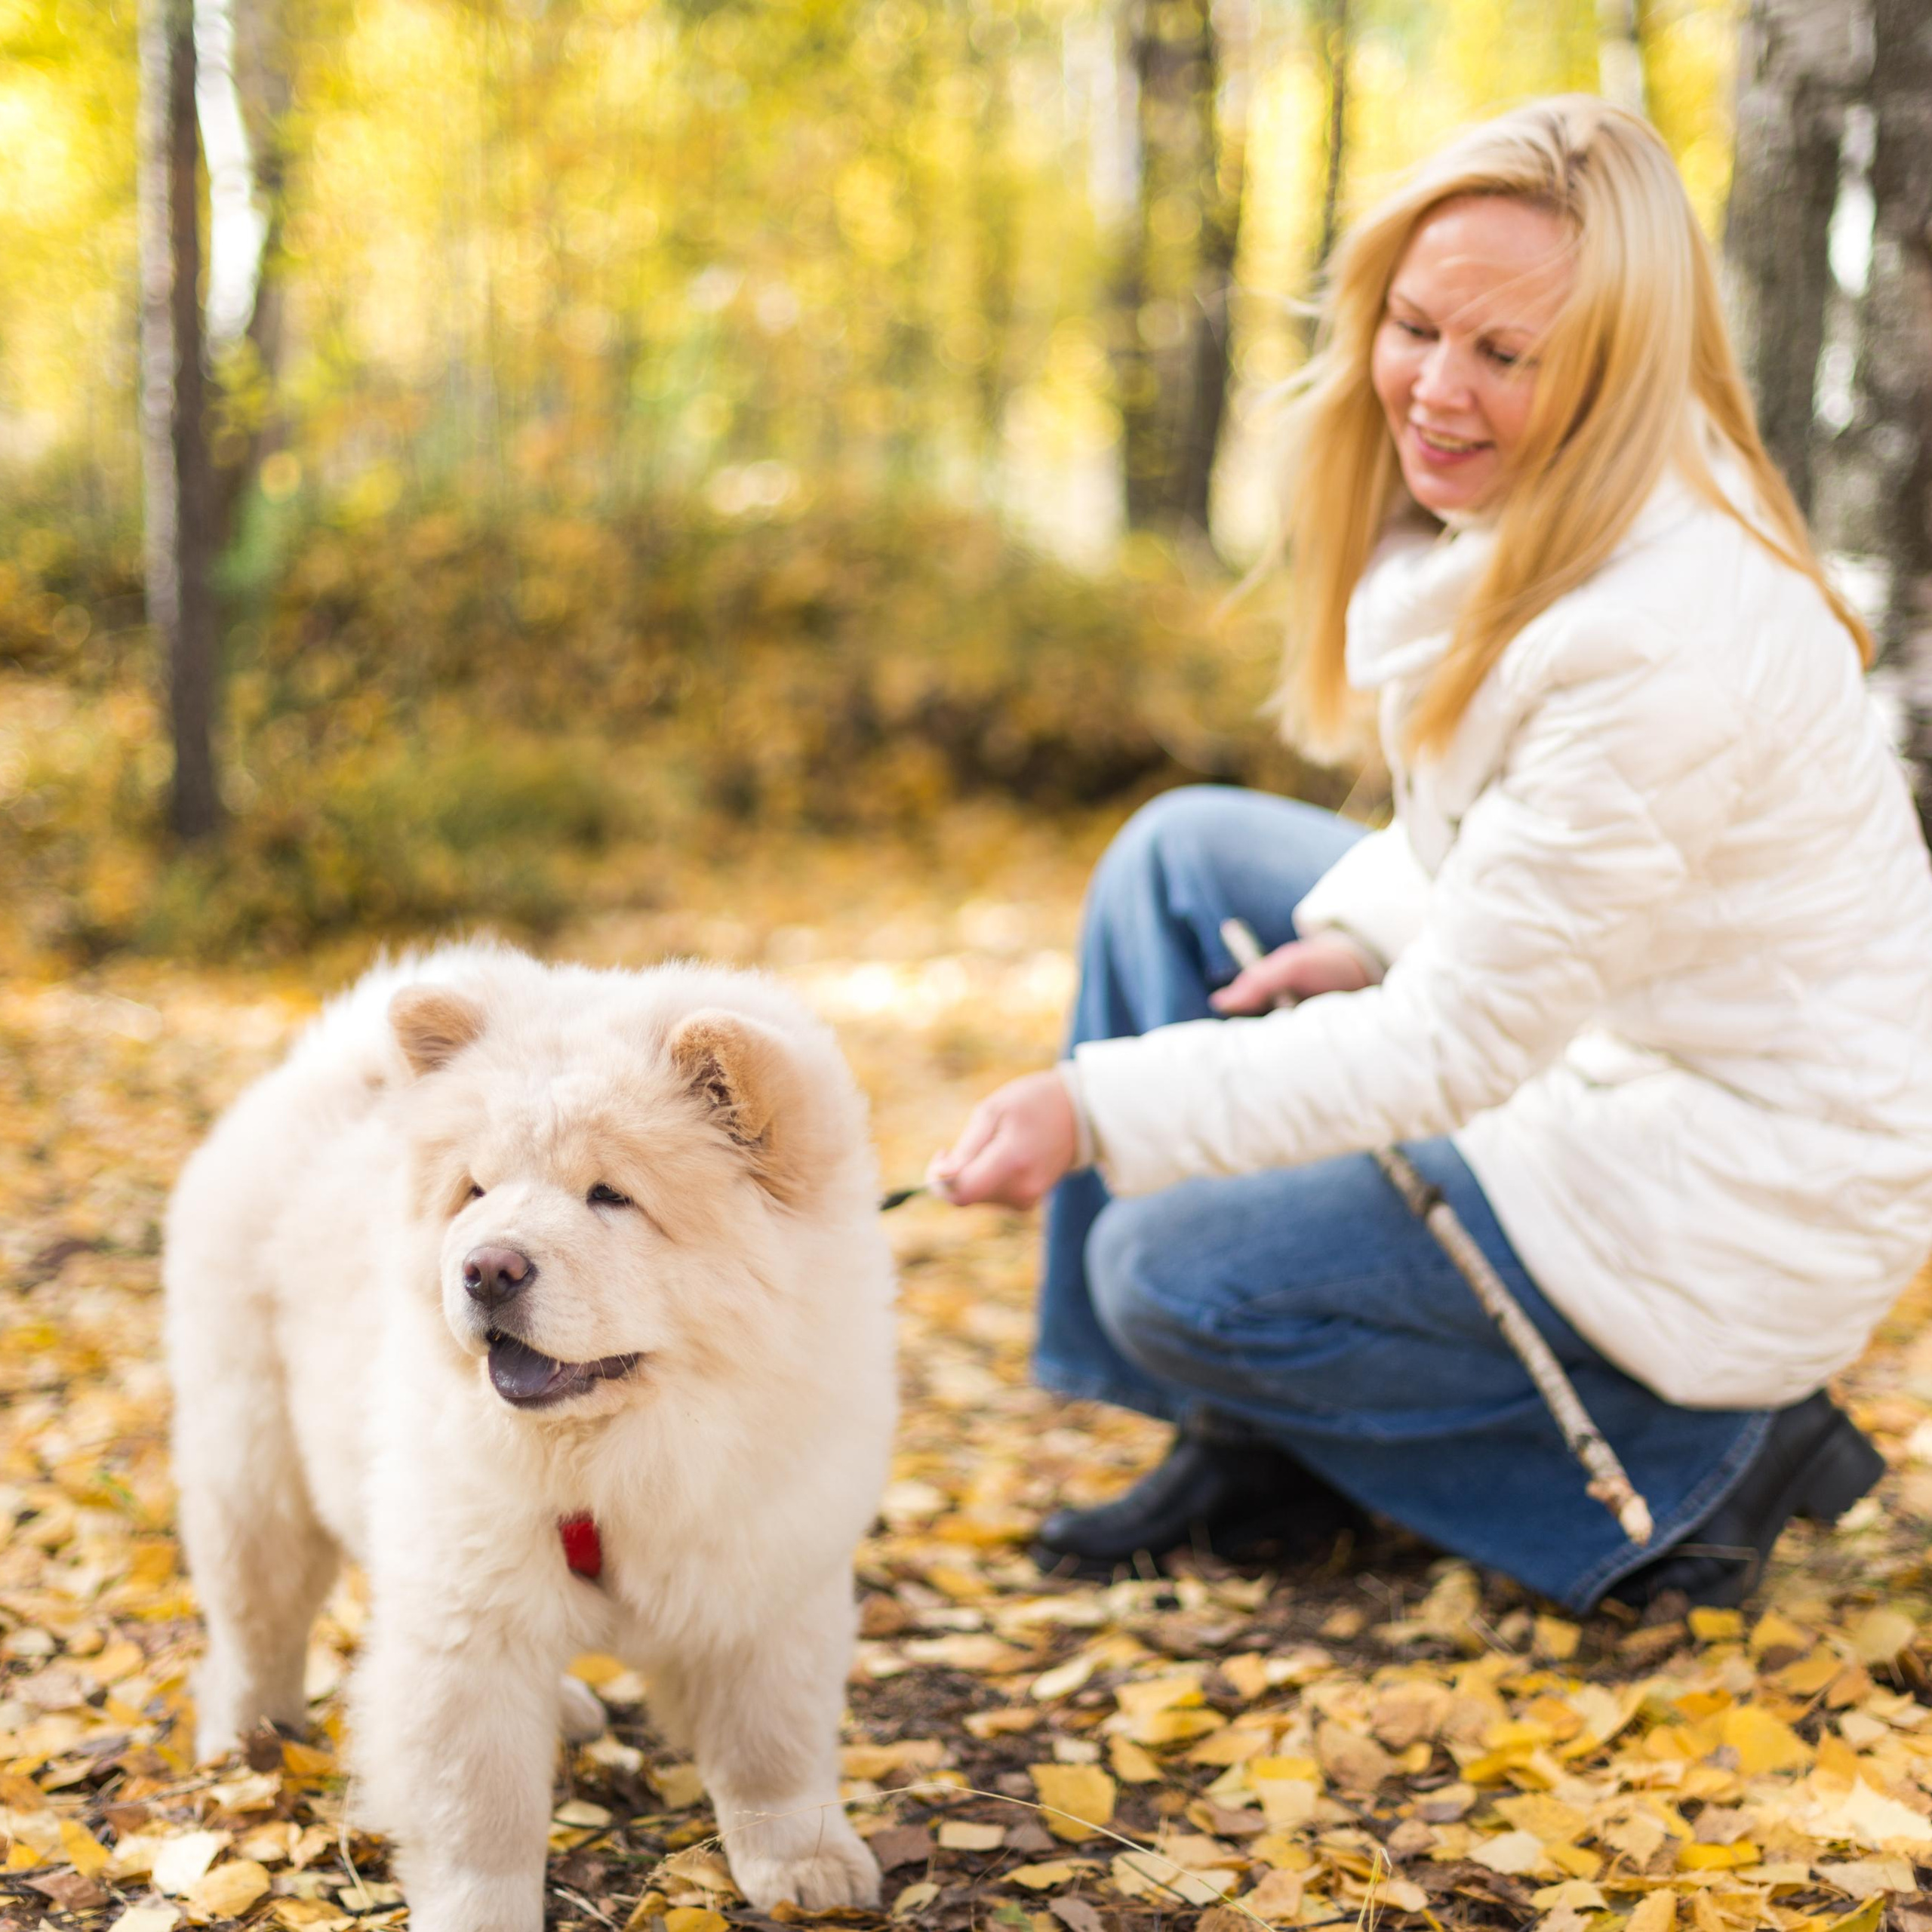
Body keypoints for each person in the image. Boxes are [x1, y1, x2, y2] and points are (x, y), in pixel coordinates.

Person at [927, 96, 1932, 1613]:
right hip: (1612, 1036)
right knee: (1180, 858)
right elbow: (1510, 838)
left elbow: (1459, 1041)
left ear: (1611, 372)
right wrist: (1363, 931)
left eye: (1503, 356)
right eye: (1413, 328)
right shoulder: (1554, 517)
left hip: (1731, 1177)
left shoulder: (1660, 635)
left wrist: (1085, 1105)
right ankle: (1244, 1433)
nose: (1433, 390)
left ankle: (1694, 1462)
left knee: (1161, 1269)